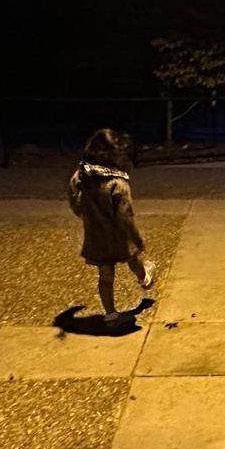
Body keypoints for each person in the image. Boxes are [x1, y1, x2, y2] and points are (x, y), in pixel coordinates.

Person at [67, 128, 155, 328]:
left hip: (97, 235)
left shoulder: (82, 175)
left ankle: (111, 315)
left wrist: (87, 216)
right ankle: (144, 278)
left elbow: (74, 200)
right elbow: (125, 217)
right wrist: (137, 239)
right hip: (119, 236)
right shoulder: (117, 183)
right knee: (134, 259)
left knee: (105, 276)